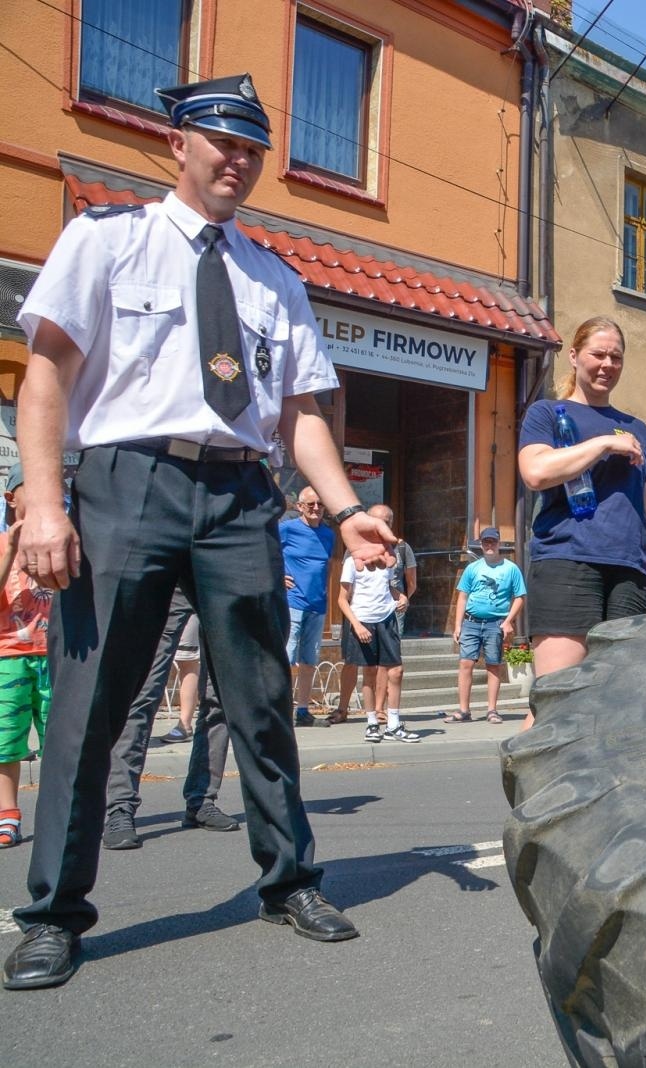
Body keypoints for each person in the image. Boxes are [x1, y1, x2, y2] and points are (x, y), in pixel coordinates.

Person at [4, 73, 396, 992]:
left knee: (260, 703)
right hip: (124, 484)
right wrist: (47, 505)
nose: (238, 159)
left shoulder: (273, 278)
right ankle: (55, 914)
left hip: (238, 494)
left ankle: (289, 880)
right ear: (177, 143)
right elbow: (48, 379)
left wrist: (347, 513)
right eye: (221, 141)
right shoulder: (107, 239)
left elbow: (299, 415)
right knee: (90, 702)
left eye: (253, 147)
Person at [517, 317, 646, 731]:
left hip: (629, 571)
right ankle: (530, 793)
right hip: (568, 562)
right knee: (558, 700)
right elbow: (536, 473)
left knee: (616, 699)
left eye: (616, 356)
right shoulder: (547, 413)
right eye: (598, 354)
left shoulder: (637, 429)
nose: (607, 364)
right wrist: (602, 443)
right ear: (575, 357)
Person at [103, 587, 236, 850]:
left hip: (216, 570)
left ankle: (202, 800)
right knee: (143, 694)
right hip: (169, 572)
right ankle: (120, 808)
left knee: (218, 697)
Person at [337, 504, 418, 743]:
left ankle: (393, 724)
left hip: (387, 619)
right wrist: (357, 624)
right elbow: (342, 598)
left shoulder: (391, 553)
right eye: (376, 522)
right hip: (363, 620)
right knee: (369, 673)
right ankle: (372, 722)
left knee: (396, 670)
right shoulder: (354, 557)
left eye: (386, 523)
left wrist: (400, 596)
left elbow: (388, 587)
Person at [0, 465, 50, 849]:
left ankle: (59, 814)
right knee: (6, 743)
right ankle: (8, 815)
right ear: (11, 497)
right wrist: (13, 550)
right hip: (8, 656)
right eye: (27, 488)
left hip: (55, 654)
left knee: (60, 740)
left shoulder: (56, 540)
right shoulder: (2, 544)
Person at [448, 528, 525, 725]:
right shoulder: (473, 569)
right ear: (481, 545)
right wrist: (458, 625)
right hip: (471, 623)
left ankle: (492, 709)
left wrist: (508, 621)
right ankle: (464, 710)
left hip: (495, 624)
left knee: (493, 665)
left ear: (499, 544)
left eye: (493, 542)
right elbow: (462, 597)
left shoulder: (510, 568)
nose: (489, 546)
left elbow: (520, 597)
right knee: (465, 663)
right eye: (485, 542)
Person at [282, 486, 335, 726]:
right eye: (311, 504)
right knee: (286, 657)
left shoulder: (328, 534)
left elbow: (328, 567)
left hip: (317, 604)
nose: (316, 508)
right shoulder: (286, 529)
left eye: (320, 504)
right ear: (299, 506)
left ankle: (302, 711)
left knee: (309, 660)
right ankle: (280, 710)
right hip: (292, 602)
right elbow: (264, 553)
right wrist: (276, 576)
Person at [373, 518, 417, 713]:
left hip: (393, 610)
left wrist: (404, 600)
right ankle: (374, 710)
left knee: (390, 662)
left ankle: (386, 709)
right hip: (367, 610)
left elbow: (412, 581)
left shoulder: (401, 547)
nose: (382, 524)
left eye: (386, 521)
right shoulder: (360, 546)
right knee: (370, 664)